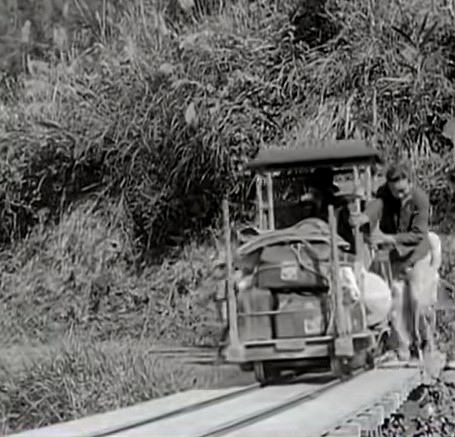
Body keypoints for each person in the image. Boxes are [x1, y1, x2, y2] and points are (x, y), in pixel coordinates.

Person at [350, 161, 435, 360]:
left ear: (410, 183)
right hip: (396, 257)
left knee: (417, 301)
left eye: (403, 191)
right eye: (395, 192)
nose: (400, 196)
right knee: (397, 303)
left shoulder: (420, 200)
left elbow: (418, 235)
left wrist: (388, 239)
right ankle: (404, 347)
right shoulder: (385, 194)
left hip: (417, 255)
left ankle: (426, 340)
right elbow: (376, 206)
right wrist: (364, 217)